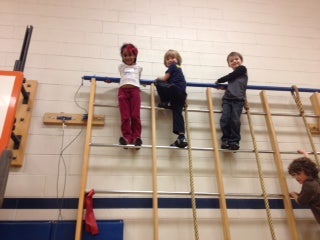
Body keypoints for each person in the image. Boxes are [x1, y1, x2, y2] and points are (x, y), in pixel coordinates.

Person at [154, 49, 188, 148]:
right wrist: (184, 100)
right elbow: (182, 85)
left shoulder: (173, 67)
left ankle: (165, 102)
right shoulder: (178, 69)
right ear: (165, 62)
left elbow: (164, 79)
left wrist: (156, 78)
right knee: (177, 113)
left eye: (172, 58)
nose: (170, 60)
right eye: (168, 59)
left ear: (178, 60)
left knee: (158, 82)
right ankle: (181, 137)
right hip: (180, 95)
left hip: (175, 90)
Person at [215, 52, 248, 150]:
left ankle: (234, 141)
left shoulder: (242, 69)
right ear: (229, 64)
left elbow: (231, 76)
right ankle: (226, 139)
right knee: (224, 119)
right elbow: (234, 85)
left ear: (241, 61)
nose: (234, 61)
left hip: (238, 100)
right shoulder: (233, 75)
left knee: (235, 120)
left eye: (237, 59)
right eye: (231, 60)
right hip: (227, 99)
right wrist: (224, 88)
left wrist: (219, 80)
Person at [116, 43, 143, 148]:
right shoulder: (121, 67)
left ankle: (137, 137)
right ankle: (127, 138)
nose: (128, 57)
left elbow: (138, 78)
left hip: (135, 91)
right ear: (122, 57)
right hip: (123, 91)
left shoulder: (139, 67)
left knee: (135, 116)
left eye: (130, 55)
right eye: (125, 55)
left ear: (135, 55)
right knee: (125, 116)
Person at [288, 149, 320, 224]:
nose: (296, 178)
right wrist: (305, 153)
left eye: (298, 174)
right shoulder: (314, 177)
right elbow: (309, 165)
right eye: (294, 175)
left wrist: (294, 194)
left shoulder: (308, 185)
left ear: (307, 171)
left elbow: (300, 201)